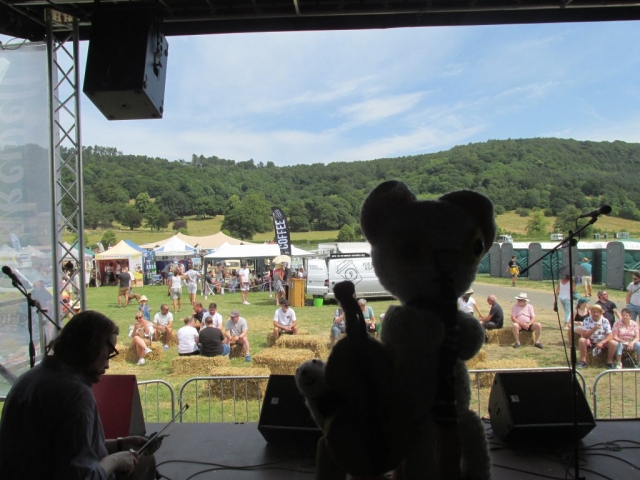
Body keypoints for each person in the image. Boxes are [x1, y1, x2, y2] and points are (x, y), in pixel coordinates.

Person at [0, 310, 158, 480]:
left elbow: (68, 448)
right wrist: (116, 459)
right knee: (145, 461)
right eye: (108, 354)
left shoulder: (29, 378)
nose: (107, 365)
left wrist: (120, 444)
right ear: (92, 348)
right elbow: (84, 476)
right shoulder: (75, 396)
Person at [577, 304, 617, 369]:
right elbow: (584, 335)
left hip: (602, 341)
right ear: (591, 312)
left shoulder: (605, 321)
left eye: (597, 312)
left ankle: (609, 362)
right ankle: (583, 361)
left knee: (613, 343)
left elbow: (610, 335)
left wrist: (602, 342)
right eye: (593, 312)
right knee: (582, 340)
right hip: (590, 341)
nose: (595, 314)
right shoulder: (587, 320)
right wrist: (593, 329)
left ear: (600, 313)